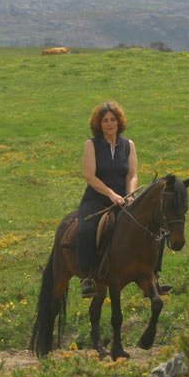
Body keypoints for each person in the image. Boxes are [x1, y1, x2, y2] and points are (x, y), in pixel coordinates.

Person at [76, 101, 138, 299]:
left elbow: (132, 175)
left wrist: (130, 195)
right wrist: (111, 194)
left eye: (113, 120)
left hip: (124, 199)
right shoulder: (91, 145)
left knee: (152, 224)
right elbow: (90, 176)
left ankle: (155, 274)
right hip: (97, 199)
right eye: (105, 120)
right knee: (85, 229)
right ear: (99, 124)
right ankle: (86, 278)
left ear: (119, 122)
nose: (110, 124)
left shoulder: (128, 145)